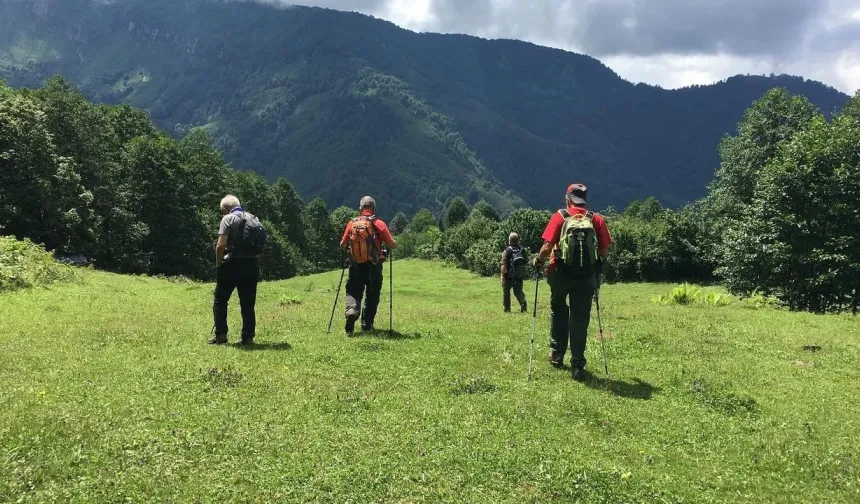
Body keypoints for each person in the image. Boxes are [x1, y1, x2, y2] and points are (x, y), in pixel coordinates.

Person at [533, 183, 611, 381]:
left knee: (558, 309)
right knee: (580, 318)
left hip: (560, 274)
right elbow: (603, 252)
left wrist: (538, 261)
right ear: (585, 200)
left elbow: (547, 246)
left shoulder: (560, 216)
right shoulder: (596, 220)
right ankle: (577, 365)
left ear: (568, 199)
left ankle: (557, 355)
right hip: (586, 278)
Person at [339, 196, 397, 335]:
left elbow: (342, 244)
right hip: (373, 266)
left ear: (360, 209)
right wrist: (394, 244)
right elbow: (391, 244)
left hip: (356, 266)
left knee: (353, 290)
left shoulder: (352, 223)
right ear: (374, 208)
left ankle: (352, 311)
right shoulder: (379, 223)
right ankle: (367, 324)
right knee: (372, 295)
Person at [211, 195, 263, 345]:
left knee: (220, 300)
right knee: (248, 303)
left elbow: (221, 245)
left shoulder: (227, 219)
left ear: (225, 209)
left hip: (232, 265)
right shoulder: (253, 218)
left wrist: (218, 263)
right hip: (251, 264)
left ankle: (221, 335)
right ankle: (248, 336)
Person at [500, 232, 529, 313]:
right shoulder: (522, 249)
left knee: (506, 292)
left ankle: (507, 309)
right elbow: (526, 261)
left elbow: (503, 264)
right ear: (518, 240)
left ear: (509, 240)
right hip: (519, 275)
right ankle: (523, 304)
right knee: (518, 291)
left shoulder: (507, 250)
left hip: (508, 275)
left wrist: (502, 275)